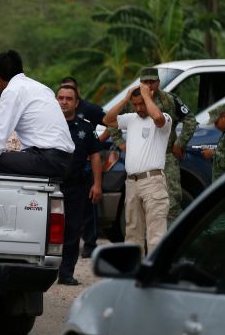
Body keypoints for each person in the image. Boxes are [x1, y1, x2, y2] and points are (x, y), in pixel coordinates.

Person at [0, 50, 75, 180]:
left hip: (47, 159)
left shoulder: (12, 91)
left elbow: (0, 132)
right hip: (64, 160)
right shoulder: (42, 88)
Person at [108, 67, 198, 226]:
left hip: (167, 156)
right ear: (140, 83)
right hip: (143, 160)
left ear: (158, 82)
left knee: (172, 198)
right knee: (140, 203)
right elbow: (112, 119)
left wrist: (180, 143)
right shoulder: (133, 99)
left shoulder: (169, 100)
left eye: (152, 82)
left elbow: (190, 120)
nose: (149, 85)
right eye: (145, 82)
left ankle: (170, 235)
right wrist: (120, 142)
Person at [103, 83, 172, 257]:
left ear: (150, 98)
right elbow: (107, 120)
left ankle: (155, 271)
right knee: (132, 233)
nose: (139, 108)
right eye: (135, 104)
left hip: (153, 182)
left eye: (142, 103)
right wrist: (125, 99)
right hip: (132, 183)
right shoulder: (131, 119)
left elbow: (158, 118)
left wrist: (147, 95)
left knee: (156, 234)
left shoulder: (164, 117)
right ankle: (134, 271)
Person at [56, 85, 102, 285]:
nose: (64, 102)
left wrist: (97, 184)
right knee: (46, 229)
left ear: (76, 103)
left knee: (72, 230)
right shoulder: (47, 124)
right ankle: (43, 271)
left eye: (68, 99)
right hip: (51, 185)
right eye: (60, 98)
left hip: (76, 186)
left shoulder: (86, 127)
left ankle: (66, 273)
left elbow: (95, 156)